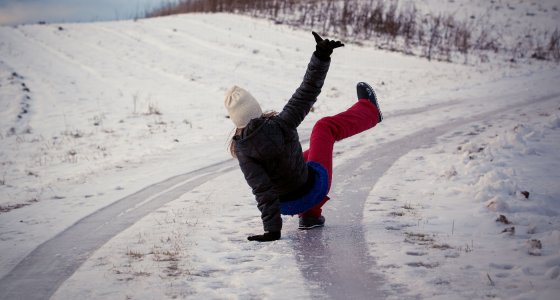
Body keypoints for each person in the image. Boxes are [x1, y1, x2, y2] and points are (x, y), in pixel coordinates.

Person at [224, 32, 383, 242]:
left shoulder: (243, 149)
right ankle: (370, 111)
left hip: (286, 204)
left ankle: (310, 217)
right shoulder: (282, 123)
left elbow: (262, 190)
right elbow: (307, 91)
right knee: (324, 127)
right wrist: (321, 55)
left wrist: (272, 231)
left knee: (305, 155)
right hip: (312, 190)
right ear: (257, 108)